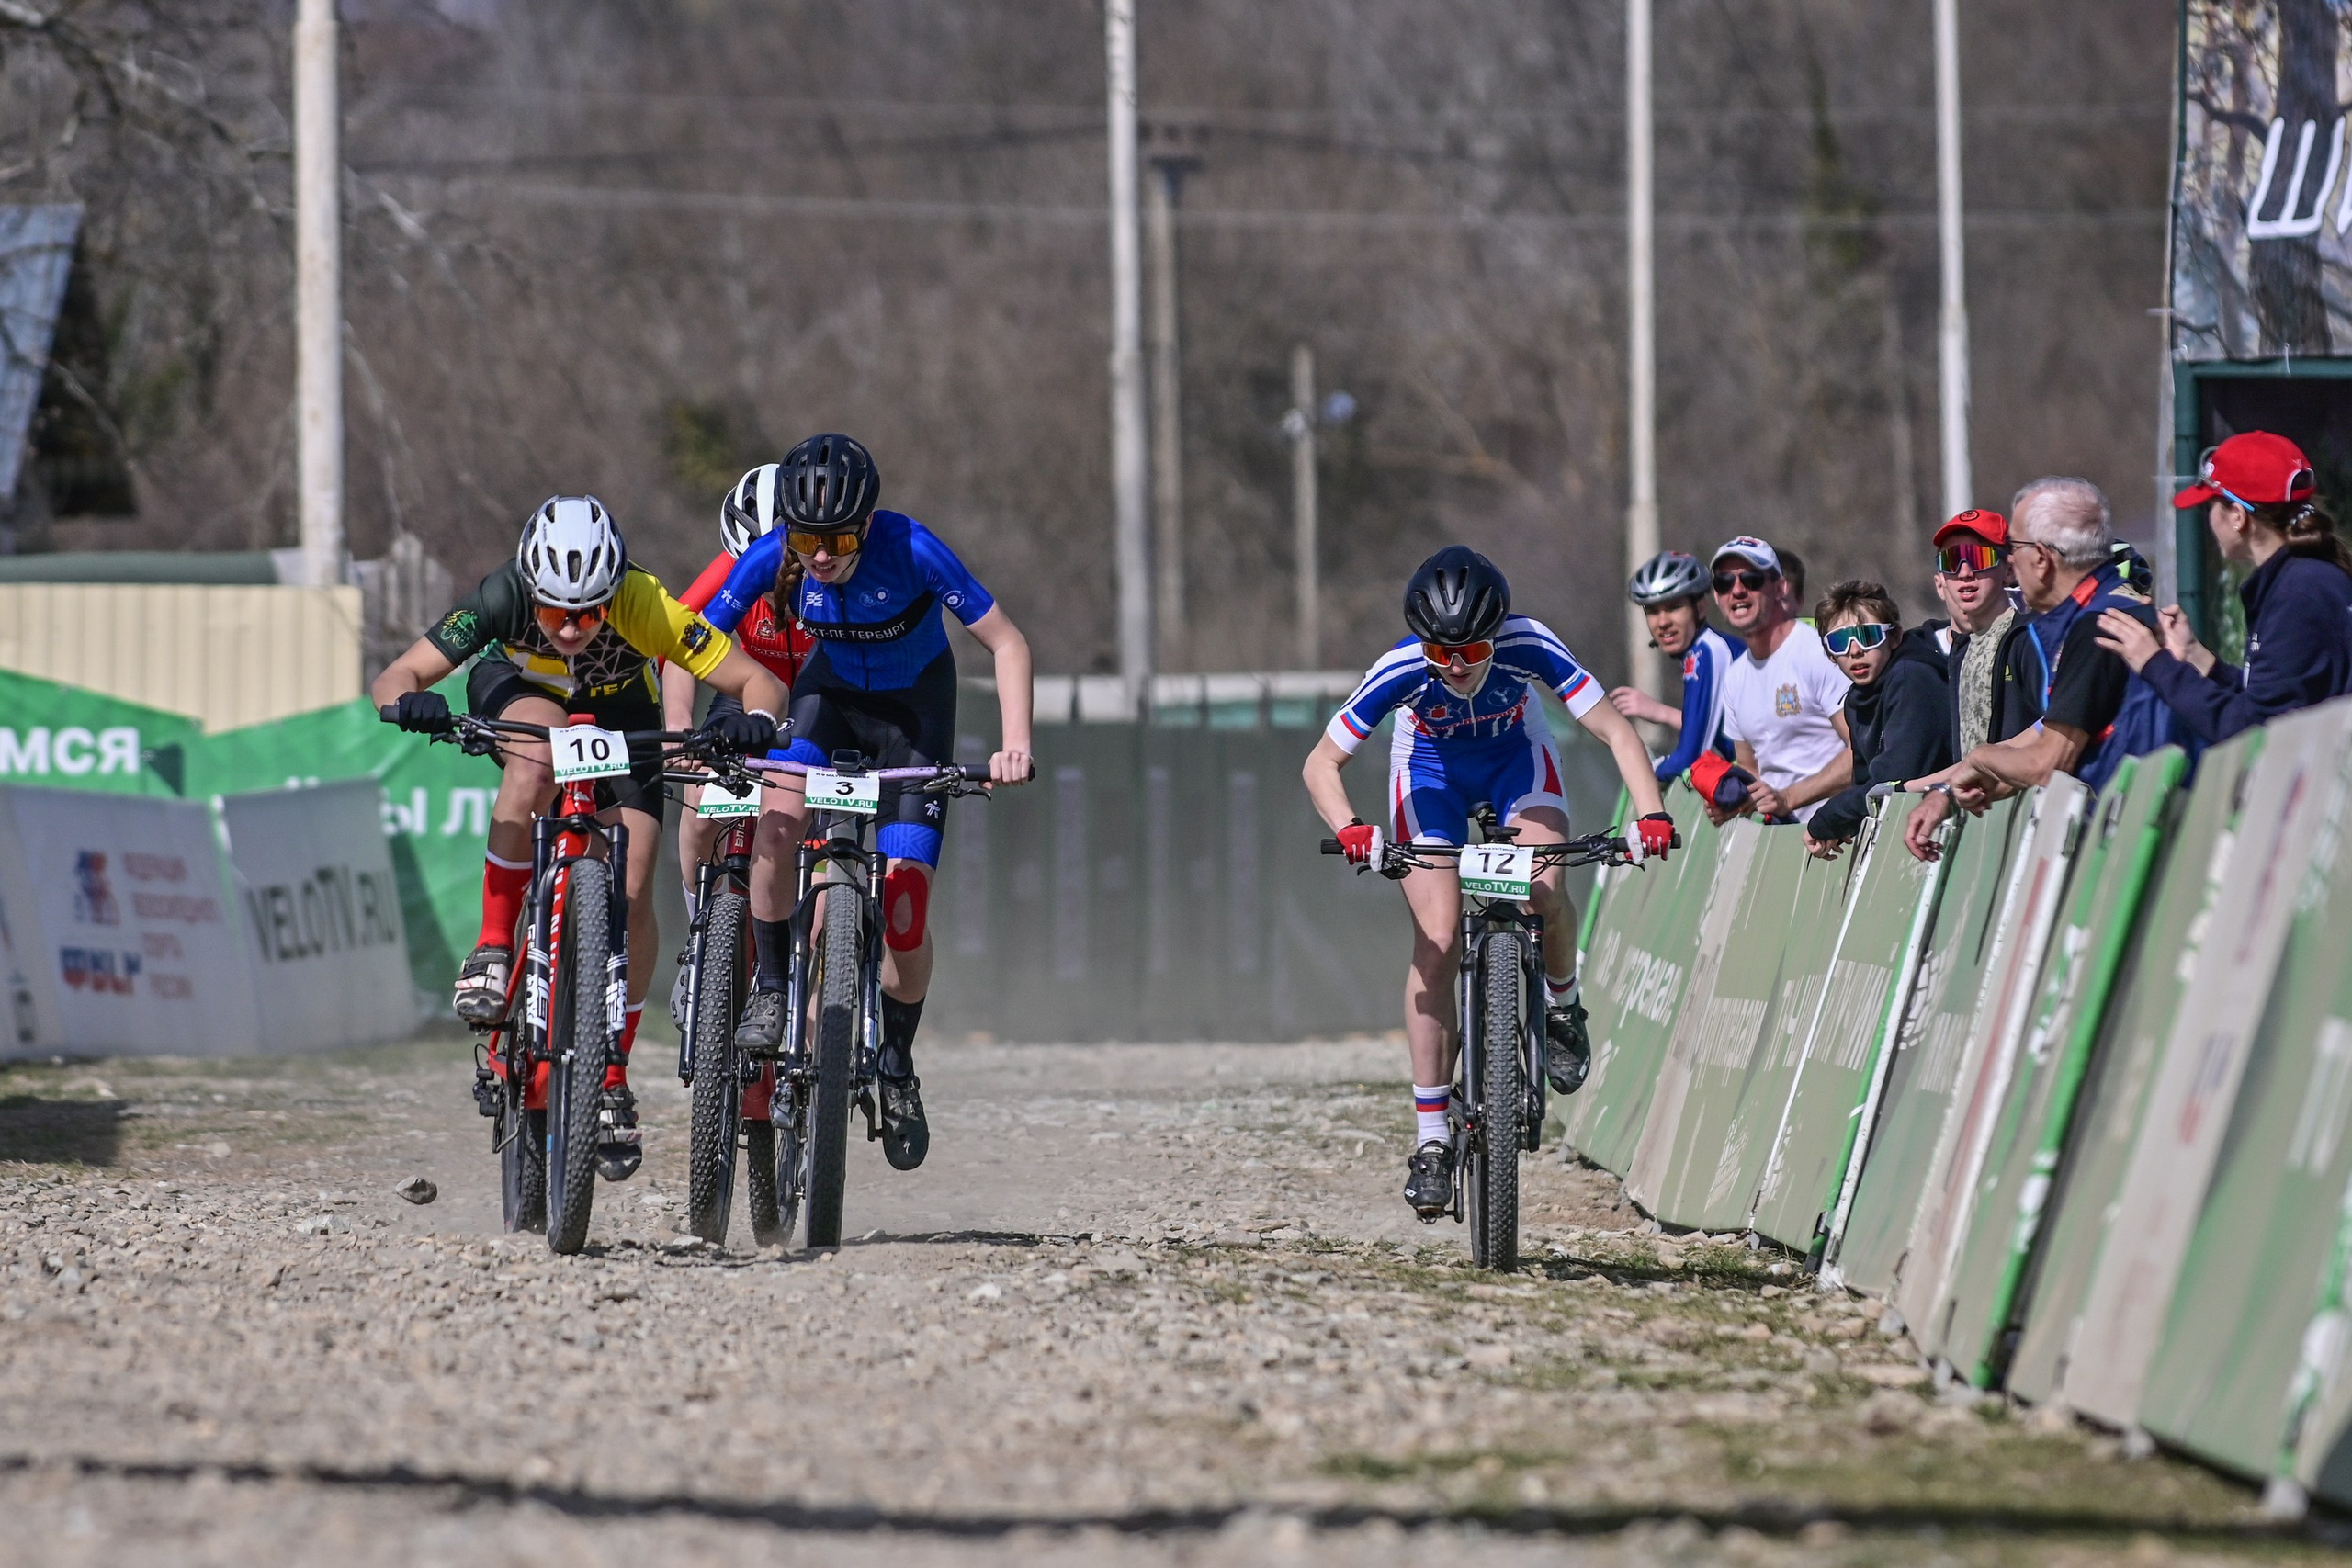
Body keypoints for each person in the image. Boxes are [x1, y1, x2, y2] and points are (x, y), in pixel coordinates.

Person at [374, 496, 789, 1179]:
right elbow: (398, 673)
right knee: (537, 762)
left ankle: (613, 1071)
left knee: (635, 879)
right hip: (519, 691)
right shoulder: (502, 592)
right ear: (529, 589)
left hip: (624, 709)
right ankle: (493, 946)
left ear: (614, 594)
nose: (570, 628)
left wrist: (754, 720)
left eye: (590, 612)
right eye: (554, 611)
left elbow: (758, 682)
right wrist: (410, 699)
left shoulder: (646, 602)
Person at [1300, 546, 1674, 1220]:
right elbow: (1321, 763)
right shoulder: (1401, 668)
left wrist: (1651, 813)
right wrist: (1354, 825)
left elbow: (1616, 732)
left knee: (1545, 888)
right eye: (1440, 653)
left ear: (1496, 635)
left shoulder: (1530, 644)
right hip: (1430, 774)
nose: (1455, 666)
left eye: (1471, 651)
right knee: (1438, 937)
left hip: (1514, 761)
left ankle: (1563, 1007)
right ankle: (1433, 1139)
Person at [701, 433, 1035, 1173]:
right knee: (778, 822)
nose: (820, 556)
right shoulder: (779, 557)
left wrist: (1016, 743)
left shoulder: (912, 547)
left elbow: (1007, 642)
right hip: (830, 703)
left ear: (869, 523)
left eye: (841, 537)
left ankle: (897, 1060)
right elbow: (699, 635)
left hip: (915, 717)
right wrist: (721, 715)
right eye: (807, 539)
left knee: (908, 903)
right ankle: (772, 986)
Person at [1905, 477, 2162, 861]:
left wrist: (1979, 759)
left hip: (2139, 840)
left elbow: (2047, 764)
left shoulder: (2100, 623)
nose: (2009, 561)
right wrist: (1948, 791)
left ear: (2041, 558)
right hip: (2133, 828)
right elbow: (2049, 737)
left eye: (2012, 548)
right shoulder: (2095, 614)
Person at [663, 464, 816, 1021]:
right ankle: (699, 938)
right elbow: (678, 645)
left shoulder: (829, 569)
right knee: (701, 811)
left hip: (818, 700)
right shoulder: (729, 571)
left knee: (814, 816)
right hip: (746, 694)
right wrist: (680, 727)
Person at [2092, 431, 2352, 743]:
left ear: (2238, 516)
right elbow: (2267, 703)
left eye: (2209, 507)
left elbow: (2251, 732)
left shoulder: (2299, 592)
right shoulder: (2298, 579)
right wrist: (2197, 657)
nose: (2209, 519)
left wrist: (2154, 664)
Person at [1701, 536, 1852, 827]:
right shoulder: (1735, 677)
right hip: (1782, 842)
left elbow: (1863, 751)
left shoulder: (1818, 653)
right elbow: (1751, 770)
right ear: (1717, 596)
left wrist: (1789, 798)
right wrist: (1734, 801)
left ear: (1780, 587)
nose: (1737, 590)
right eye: (1724, 583)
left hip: (1840, 835)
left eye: (1752, 579)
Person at [1802, 581, 1952, 853]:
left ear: (1894, 637)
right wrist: (1843, 826)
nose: (1855, 650)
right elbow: (1864, 783)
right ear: (1830, 654)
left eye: (1868, 636)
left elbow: (1893, 780)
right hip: (1910, 834)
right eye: (1839, 641)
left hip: (1945, 833)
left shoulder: (1912, 678)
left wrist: (1831, 817)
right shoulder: (1857, 699)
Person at [1607, 550, 1746, 785]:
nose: (1662, 622)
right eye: (1652, 611)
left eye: (1673, 607)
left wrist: (1647, 771)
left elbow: (1691, 757)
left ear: (1700, 608)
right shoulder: (1705, 650)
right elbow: (1715, 729)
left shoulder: (1707, 652)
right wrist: (1662, 713)